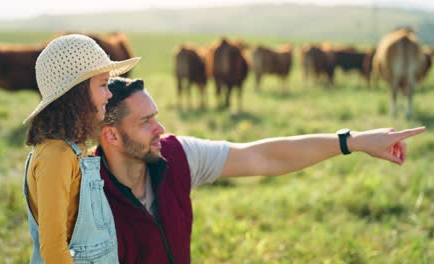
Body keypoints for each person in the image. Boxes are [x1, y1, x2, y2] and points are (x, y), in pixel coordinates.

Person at [95, 77, 425, 264]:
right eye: (146, 121)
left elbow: (263, 157)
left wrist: (353, 142)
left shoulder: (176, 156)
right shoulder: (81, 193)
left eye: (156, 116)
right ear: (110, 135)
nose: (160, 128)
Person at [22, 34, 140, 263]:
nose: (110, 94)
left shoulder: (75, 149)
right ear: (77, 94)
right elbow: (54, 249)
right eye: (103, 85)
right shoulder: (56, 156)